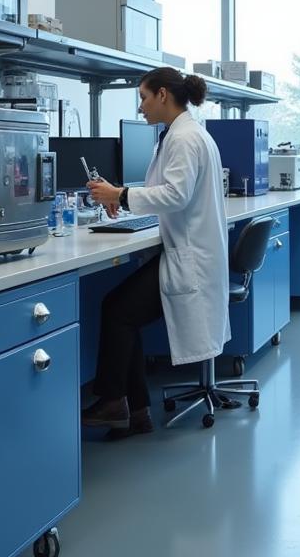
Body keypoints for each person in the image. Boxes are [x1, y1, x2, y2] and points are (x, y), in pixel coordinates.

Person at [80, 68, 229, 437]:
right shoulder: (181, 135)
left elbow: (175, 194)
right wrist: (122, 199)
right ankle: (136, 411)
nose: (141, 106)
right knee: (121, 311)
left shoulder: (184, 139)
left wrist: (121, 196)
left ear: (163, 95)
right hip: (187, 252)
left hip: (189, 260)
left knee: (118, 311)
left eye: (144, 98)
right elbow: (163, 189)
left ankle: (118, 403)